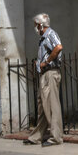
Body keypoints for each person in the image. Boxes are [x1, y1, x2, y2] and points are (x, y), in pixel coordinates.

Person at [24, 13, 65, 146]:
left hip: (50, 73)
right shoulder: (43, 38)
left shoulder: (50, 34)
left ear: (41, 25)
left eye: (36, 25)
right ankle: (36, 137)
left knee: (52, 105)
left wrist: (46, 61)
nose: (35, 27)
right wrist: (39, 63)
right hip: (44, 74)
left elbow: (58, 47)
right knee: (42, 106)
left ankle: (56, 137)